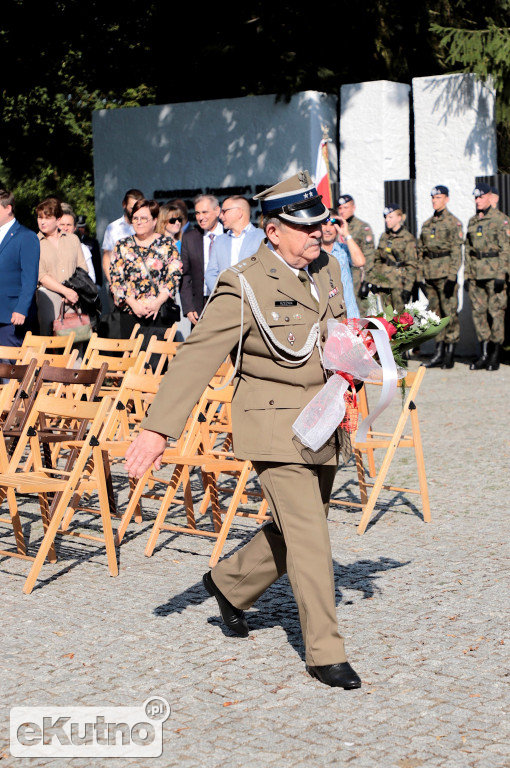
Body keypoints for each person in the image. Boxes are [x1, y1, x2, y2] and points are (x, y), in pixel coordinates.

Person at [125, 170, 362, 691]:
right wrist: (156, 431)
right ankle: (325, 651)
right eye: (305, 228)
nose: (318, 234)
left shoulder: (326, 269)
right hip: (274, 422)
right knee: (311, 535)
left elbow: (340, 332)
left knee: (298, 528)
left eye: (321, 223)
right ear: (273, 231)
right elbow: (196, 357)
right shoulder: (245, 282)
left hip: (324, 418)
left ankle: (230, 585)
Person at [108, 198, 182, 344]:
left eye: (143, 218)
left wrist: (157, 302)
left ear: (154, 221)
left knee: (159, 362)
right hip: (130, 314)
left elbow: (174, 275)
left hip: (159, 313)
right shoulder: (122, 245)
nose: (138, 222)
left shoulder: (166, 244)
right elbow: (116, 279)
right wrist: (134, 304)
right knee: (132, 362)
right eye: (135, 218)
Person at [417, 186, 464, 369]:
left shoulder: (453, 222)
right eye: (433, 197)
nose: (434, 200)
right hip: (430, 276)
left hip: (446, 276)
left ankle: (450, 354)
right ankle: (439, 353)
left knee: (449, 314)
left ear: (447, 199)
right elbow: (420, 250)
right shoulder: (427, 224)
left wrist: (452, 276)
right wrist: (420, 275)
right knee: (435, 316)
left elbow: (456, 252)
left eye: (438, 197)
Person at [464, 183, 510, 371]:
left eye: (481, 197)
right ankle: (483, 353)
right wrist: (467, 275)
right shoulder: (473, 221)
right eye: (476, 198)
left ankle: (495, 354)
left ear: (490, 197)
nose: (478, 201)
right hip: (476, 274)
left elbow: (506, 249)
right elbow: (468, 251)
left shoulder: (501, 220)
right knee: (479, 313)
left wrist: (502, 274)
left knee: (496, 313)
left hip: (494, 273)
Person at [36, 196, 89, 335]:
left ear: (58, 220)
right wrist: (65, 291)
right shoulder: (35, 242)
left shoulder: (72, 239)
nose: (42, 222)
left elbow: (82, 268)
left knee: (76, 341)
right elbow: (41, 275)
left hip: (74, 297)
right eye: (40, 217)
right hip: (48, 298)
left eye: (47, 218)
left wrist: (72, 291)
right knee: (51, 343)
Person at [0, 188, 40, 347]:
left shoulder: (26, 236)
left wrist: (22, 308)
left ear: (8, 208)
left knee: (11, 366)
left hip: (12, 315)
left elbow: (30, 277)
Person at [204, 196, 265, 293]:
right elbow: (210, 274)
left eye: (224, 211)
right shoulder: (219, 241)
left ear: (239, 212)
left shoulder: (262, 237)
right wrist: (222, 295)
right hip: (227, 302)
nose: (220, 216)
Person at [364, 203, 418, 313]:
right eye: (385, 217)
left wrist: (408, 288)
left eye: (390, 217)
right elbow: (377, 259)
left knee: (401, 319)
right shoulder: (384, 236)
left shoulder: (407, 238)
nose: (387, 220)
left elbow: (411, 264)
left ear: (399, 218)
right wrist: (374, 280)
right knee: (387, 318)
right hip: (384, 283)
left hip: (399, 284)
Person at [180, 194, 223, 326]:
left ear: (217, 211)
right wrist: (188, 307)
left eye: (204, 212)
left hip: (225, 300)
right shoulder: (190, 238)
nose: (200, 217)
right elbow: (185, 274)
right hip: (200, 305)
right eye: (197, 213)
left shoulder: (229, 235)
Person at [321, 209, 363, 318]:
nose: (328, 229)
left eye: (332, 225)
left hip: (349, 312)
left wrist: (346, 234)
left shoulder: (343, 249)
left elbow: (360, 262)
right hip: (326, 314)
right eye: (324, 224)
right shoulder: (313, 252)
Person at [102, 188, 144, 285]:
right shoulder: (113, 228)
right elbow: (107, 257)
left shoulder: (146, 228)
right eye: (132, 208)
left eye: (138, 208)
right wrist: (113, 283)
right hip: (119, 282)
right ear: (124, 205)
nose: (135, 212)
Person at [337, 194, 375, 297]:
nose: (342, 211)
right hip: (340, 276)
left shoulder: (362, 227)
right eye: (340, 208)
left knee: (359, 310)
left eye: (346, 207)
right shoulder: (335, 226)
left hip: (357, 277)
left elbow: (369, 256)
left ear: (353, 208)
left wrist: (367, 281)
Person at [60, 204, 96, 283]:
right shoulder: (48, 246)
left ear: (75, 228)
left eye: (69, 225)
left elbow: (91, 278)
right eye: (62, 224)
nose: (65, 228)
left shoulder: (82, 248)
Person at [76, 214, 102, 286]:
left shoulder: (92, 242)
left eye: (82, 227)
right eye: (78, 227)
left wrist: (98, 282)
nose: (80, 229)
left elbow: (97, 262)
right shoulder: (73, 241)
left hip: (91, 276)